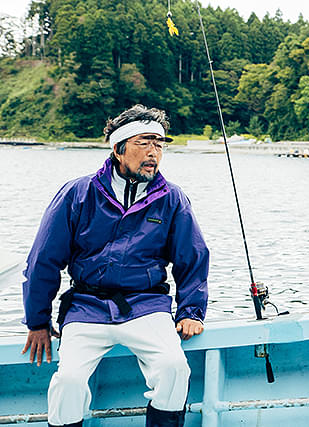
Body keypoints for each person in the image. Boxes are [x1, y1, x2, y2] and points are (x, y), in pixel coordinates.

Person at [21, 105, 210, 427]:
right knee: (67, 381)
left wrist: (191, 312)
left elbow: (192, 257)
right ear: (118, 148)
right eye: (144, 143)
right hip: (86, 306)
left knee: (174, 369)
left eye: (159, 144)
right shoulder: (77, 193)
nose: (153, 153)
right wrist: (37, 322)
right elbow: (43, 259)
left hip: (147, 304)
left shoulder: (172, 198)